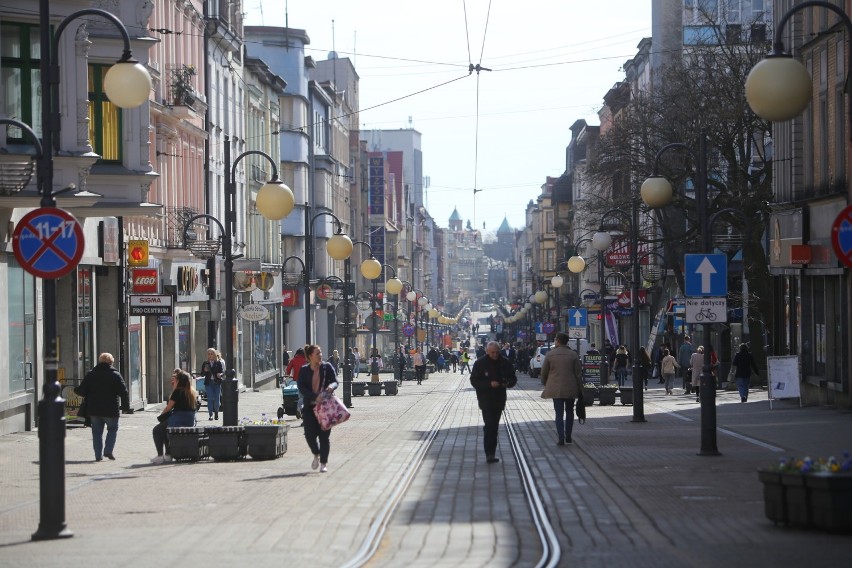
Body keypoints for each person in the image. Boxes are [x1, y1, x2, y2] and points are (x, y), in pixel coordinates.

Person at [74, 353, 130, 462]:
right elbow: (124, 392)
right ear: (111, 362)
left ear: (99, 362)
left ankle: (98, 455)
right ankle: (108, 450)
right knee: (112, 429)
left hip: (94, 409)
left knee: (96, 432)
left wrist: (76, 390)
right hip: (111, 409)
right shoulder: (115, 375)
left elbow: (82, 390)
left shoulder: (91, 374)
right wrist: (125, 407)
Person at [469, 341, 517, 463]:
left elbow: (513, 378)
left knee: (494, 427)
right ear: (487, 352)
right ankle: (489, 453)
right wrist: (489, 384)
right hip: (486, 399)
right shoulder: (480, 363)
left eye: (497, 352)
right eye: (492, 353)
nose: (495, 354)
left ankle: (491, 452)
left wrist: (508, 383)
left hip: (499, 399)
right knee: (489, 425)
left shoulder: (504, 362)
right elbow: (474, 381)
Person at [296, 344, 339, 473]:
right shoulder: (304, 370)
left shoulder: (327, 367)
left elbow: (335, 381)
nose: (320, 355)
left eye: (320, 353)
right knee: (309, 435)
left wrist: (332, 386)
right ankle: (316, 453)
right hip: (310, 407)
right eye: (317, 353)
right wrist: (315, 396)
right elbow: (301, 387)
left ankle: (323, 463)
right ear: (310, 356)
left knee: (324, 437)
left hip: (325, 408)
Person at [540, 333, 583, 446]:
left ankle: (561, 437)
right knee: (569, 411)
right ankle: (568, 435)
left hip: (556, 388)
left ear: (558, 341)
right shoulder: (573, 355)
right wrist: (580, 388)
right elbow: (578, 374)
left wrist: (546, 384)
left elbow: (543, 372)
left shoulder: (550, 354)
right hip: (570, 388)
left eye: (555, 340)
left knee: (558, 413)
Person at [151, 369, 197, 464]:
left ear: (179, 381)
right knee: (164, 429)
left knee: (157, 430)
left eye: (176, 379)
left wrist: (161, 416)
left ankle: (160, 456)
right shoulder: (191, 392)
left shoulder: (178, 391)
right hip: (189, 420)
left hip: (178, 418)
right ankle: (168, 454)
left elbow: (168, 407)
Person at [201, 348, 224, 421]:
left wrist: (220, 374)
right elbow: (202, 374)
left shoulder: (218, 363)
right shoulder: (205, 363)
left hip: (216, 382)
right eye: (209, 354)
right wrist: (205, 371)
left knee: (217, 399)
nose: (210, 355)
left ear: (214, 355)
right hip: (208, 383)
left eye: (211, 354)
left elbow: (222, 372)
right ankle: (210, 414)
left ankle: (216, 412)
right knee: (210, 399)